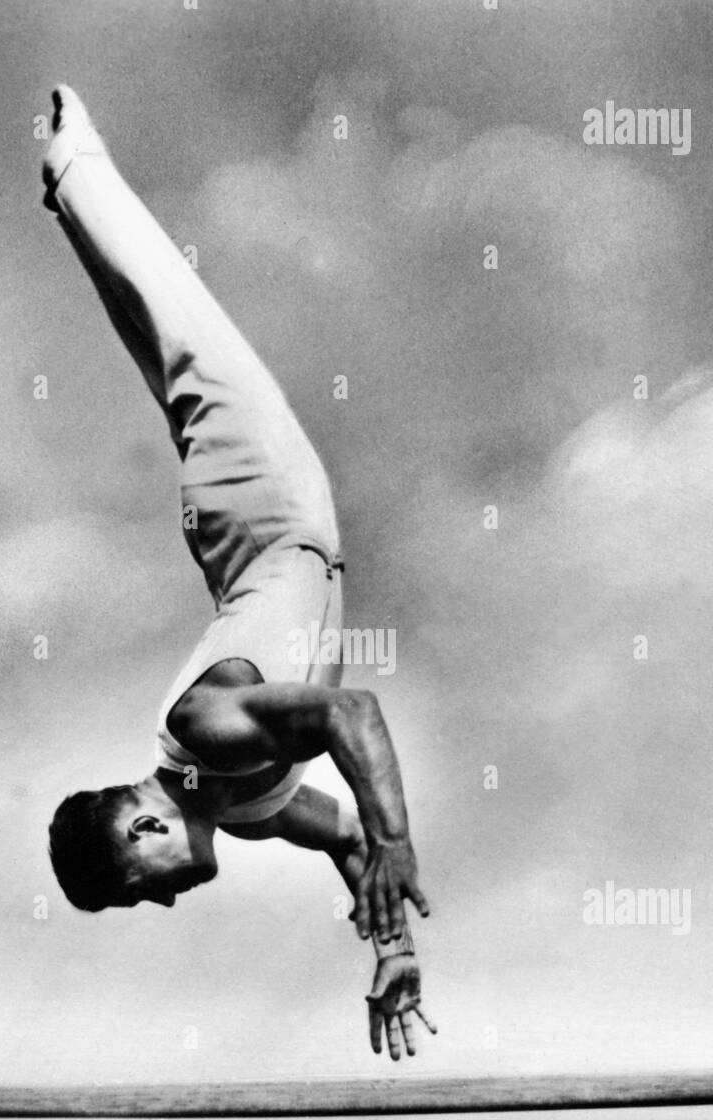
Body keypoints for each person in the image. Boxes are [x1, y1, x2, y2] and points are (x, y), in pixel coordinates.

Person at [43, 87, 435, 1060]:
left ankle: (70, 168)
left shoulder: (203, 731)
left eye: (150, 886)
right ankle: (67, 189)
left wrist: (396, 838)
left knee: (178, 324)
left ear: (141, 828)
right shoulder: (251, 809)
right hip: (254, 552)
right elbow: (343, 836)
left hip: (259, 509)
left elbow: (353, 717)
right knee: (160, 352)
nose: (171, 897)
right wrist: (390, 944)